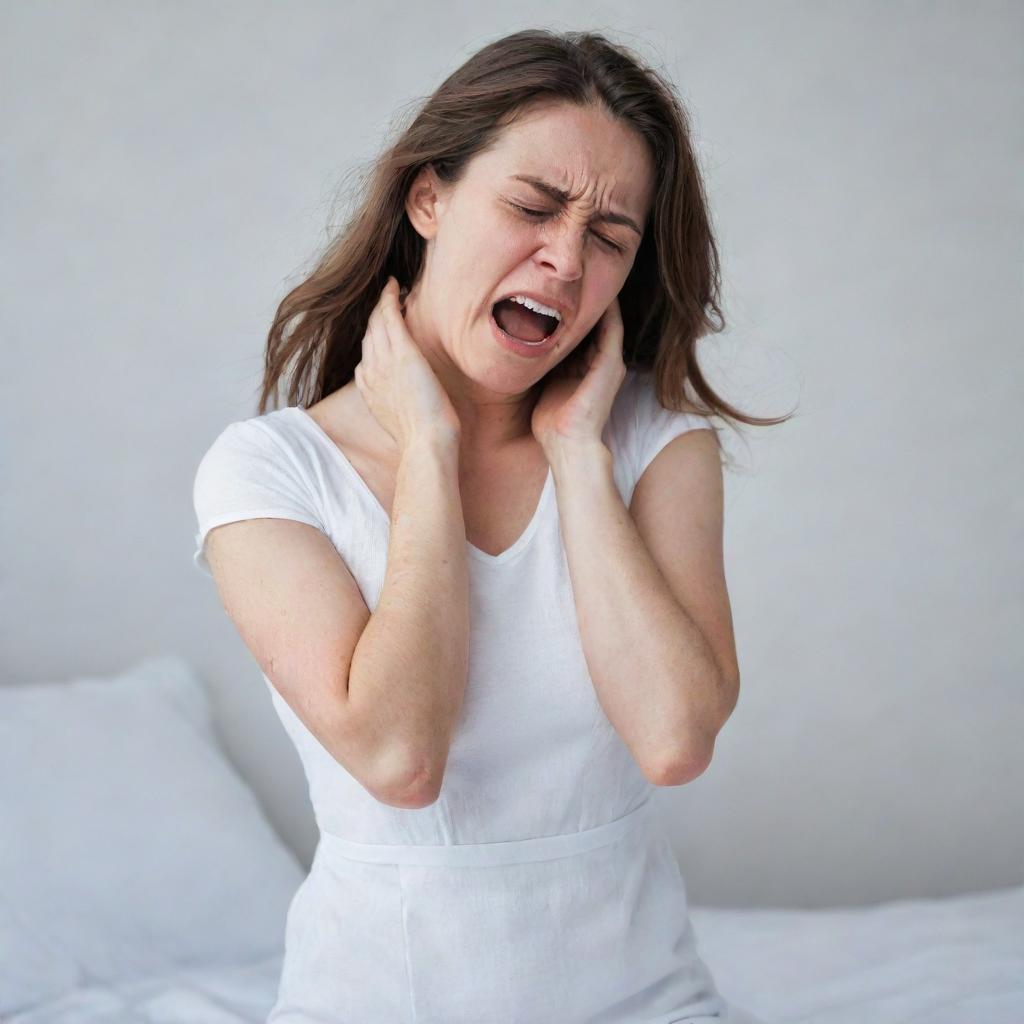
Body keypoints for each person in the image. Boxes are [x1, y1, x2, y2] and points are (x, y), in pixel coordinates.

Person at [193, 27, 782, 1024]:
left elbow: (674, 738)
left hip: (648, 1000)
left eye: (609, 236)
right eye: (532, 207)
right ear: (429, 199)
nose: (562, 259)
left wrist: (580, 458)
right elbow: (398, 760)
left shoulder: (654, 447)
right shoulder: (270, 470)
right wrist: (426, 448)